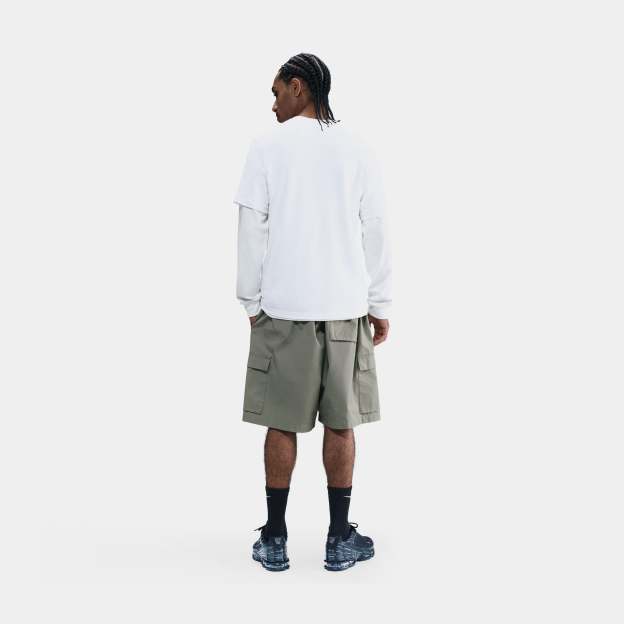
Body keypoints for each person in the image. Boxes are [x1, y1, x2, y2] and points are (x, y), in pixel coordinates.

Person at [232, 53, 392, 572]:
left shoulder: (266, 147)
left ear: (298, 87)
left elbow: (251, 226)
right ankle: (339, 538)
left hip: (283, 309)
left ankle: (275, 537)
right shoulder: (358, 148)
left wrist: (250, 300)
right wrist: (380, 303)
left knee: (280, 424)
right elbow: (376, 227)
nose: (273, 103)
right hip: (345, 309)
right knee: (342, 424)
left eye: (276, 91)